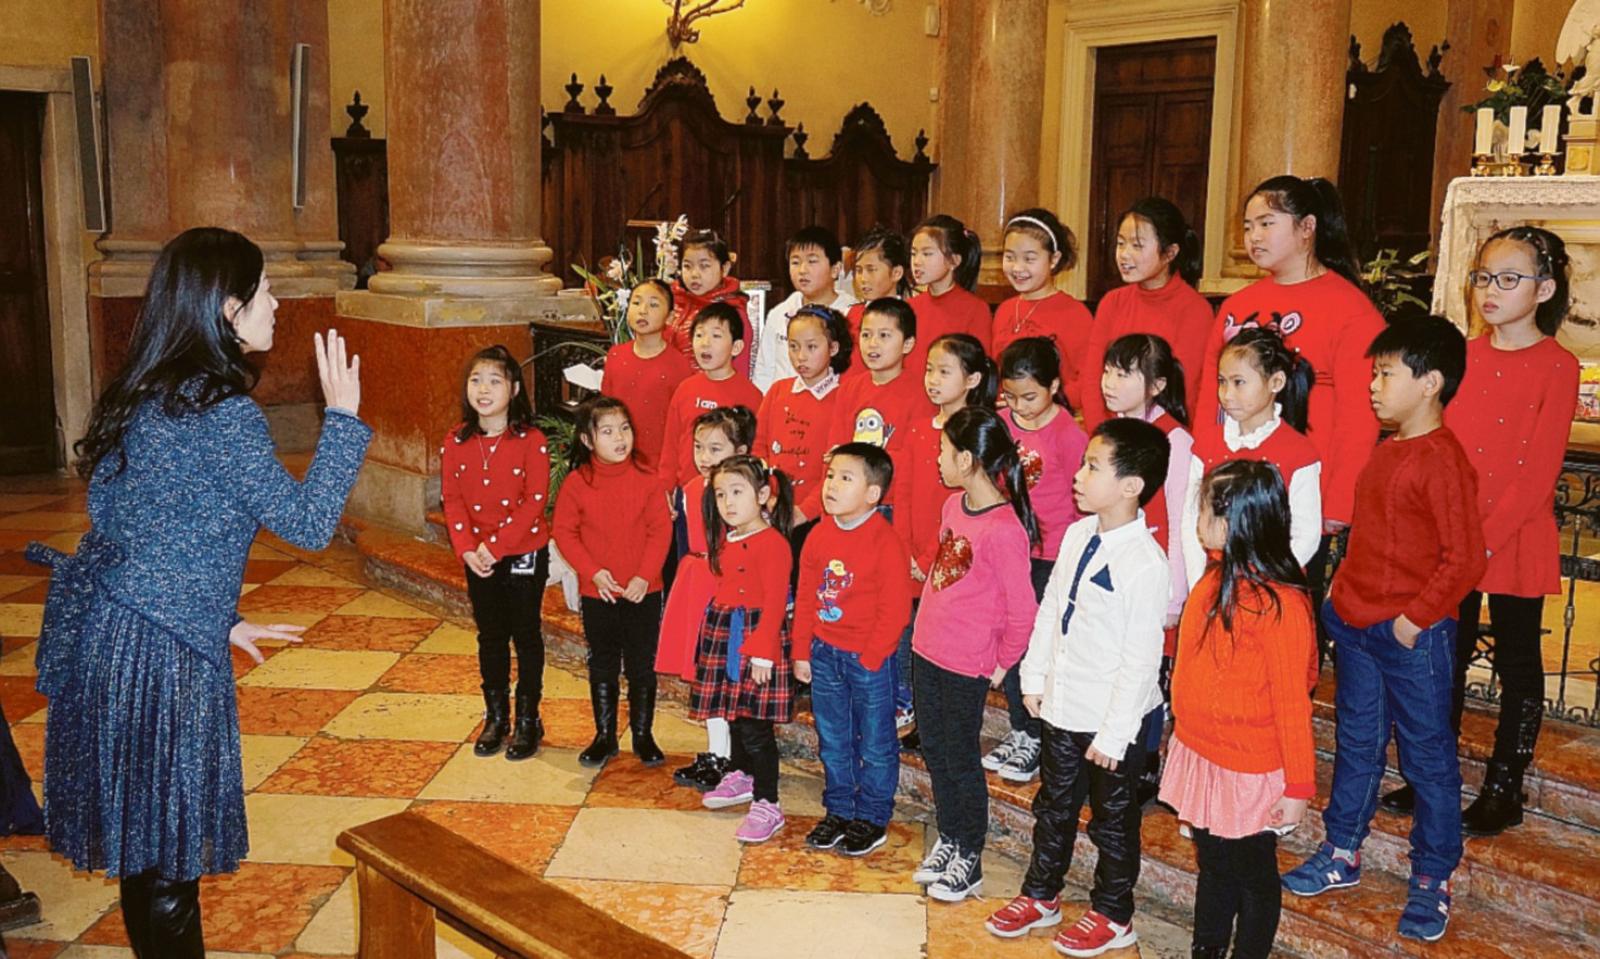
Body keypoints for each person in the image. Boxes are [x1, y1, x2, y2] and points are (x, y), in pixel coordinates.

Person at [28, 227, 368, 957]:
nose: (275, 302)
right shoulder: (224, 414)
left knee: (144, 848)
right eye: (265, 289)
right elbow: (307, 524)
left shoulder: (146, 393)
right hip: (163, 658)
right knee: (172, 858)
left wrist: (220, 616)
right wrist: (341, 419)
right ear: (226, 306)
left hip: (116, 638)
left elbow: (133, 524)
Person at [1282, 316, 1486, 944]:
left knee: (1427, 759)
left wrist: (1412, 620)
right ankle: (1342, 849)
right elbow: (1370, 539)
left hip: (1409, 637)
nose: (1372, 385)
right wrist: (1341, 601)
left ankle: (1432, 876)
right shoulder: (1388, 446)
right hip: (1359, 625)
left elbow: (1465, 558)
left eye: (1385, 374)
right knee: (1359, 746)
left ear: (1430, 383)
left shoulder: (1443, 460)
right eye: (1372, 372)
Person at [1382, 229, 1581, 837]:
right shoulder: (1462, 356)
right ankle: (1429, 772)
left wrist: (1479, 544)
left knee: (1517, 663)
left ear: (1544, 289)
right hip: (1451, 538)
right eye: (1483, 276)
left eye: (1508, 279)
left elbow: (1538, 472)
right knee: (1445, 655)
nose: (1490, 291)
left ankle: (1505, 784)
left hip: (1511, 536)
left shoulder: (1559, 366)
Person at [985, 418, 1169, 956]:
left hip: (1115, 719)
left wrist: (1114, 736)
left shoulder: (1145, 564)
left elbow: (1140, 664)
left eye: (1094, 466)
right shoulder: (1075, 534)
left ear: (1132, 485)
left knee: (1112, 822)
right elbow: (1051, 612)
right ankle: (1041, 893)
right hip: (1064, 703)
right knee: (1054, 806)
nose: (1080, 476)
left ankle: (1114, 913)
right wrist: (1035, 678)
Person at [1194, 176, 1384, 622]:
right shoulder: (1236, 307)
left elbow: (1360, 418)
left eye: (1266, 223)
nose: (1253, 236)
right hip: (1229, 488)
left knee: (1284, 616)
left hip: (1298, 491)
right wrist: (1203, 473)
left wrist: (1336, 502)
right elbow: (1211, 399)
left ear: (1307, 227)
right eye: (1247, 226)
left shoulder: (1350, 309)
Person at [1160, 461, 1318, 959]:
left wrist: (1298, 787)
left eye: (1204, 507)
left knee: (1251, 872)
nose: (1196, 517)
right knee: (1214, 863)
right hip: (1202, 752)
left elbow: (1294, 701)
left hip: (1248, 764)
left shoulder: (1281, 605)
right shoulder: (1213, 577)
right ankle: (1206, 949)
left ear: (1234, 521)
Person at [910, 408, 1040, 903]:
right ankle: (949, 836)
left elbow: (1022, 610)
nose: (937, 459)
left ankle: (970, 855)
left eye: (943, 451)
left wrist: (1004, 663)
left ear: (966, 459)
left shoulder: (1005, 529)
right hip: (927, 650)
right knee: (937, 752)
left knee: (962, 758)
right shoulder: (952, 506)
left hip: (967, 665)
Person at [791, 443, 915, 856]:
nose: (832, 485)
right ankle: (840, 809)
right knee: (832, 737)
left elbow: (895, 609)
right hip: (824, 653)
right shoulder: (818, 535)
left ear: (873, 494)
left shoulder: (885, 540)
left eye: (846, 478)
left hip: (867, 660)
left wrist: (872, 657)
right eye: (830, 476)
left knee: (877, 742)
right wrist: (801, 650)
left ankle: (872, 815)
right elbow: (806, 595)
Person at [440, 345, 553, 761]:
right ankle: (496, 716)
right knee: (490, 635)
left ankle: (528, 719)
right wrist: (468, 549)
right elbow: (451, 500)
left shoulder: (531, 440)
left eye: (494, 381)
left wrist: (496, 546)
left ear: (514, 388)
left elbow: (534, 500)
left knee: (525, 634)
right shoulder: (456, 440)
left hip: (524, 552)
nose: (483, 389)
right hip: (477, 559)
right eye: (475, 380)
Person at [985, 337, 1090, 783]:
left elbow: (1082, 503)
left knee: (1033, 644)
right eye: (1011, 396)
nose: (1020, 407)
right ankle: (1019, 730)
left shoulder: (1069, 435)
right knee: (1008, 640)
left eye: (1030, 396)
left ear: (1054, 385)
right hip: (1008, 547)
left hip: (1050, 555)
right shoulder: (1002, 422)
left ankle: (1036, 734)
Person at [1099, 333, 1196, 806]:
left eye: (1124, 374)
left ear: (1156, 384)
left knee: (1148, 674)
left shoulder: (1176, 440)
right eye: (1108, 371)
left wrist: (1175, 597)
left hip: (1153, 579)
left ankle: (1145, 760)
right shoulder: (1109, 430)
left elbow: (1180, 521)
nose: (1109, 382)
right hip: (1112, 574)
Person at [553, 397, 673, 769]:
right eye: (607, 431)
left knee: (641, 664)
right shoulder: (577, 483)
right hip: (598, 591)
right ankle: (604, 736)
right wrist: (592, 571)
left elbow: (659, 531)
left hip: (643, 591)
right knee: (603, 663)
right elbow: (564, 533)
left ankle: (643, 734)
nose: (620, 437)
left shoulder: (648, 480)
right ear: (588, 441)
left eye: (624, 428)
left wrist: (644, 576)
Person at [892, 333, 993, 734]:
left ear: (971, 380)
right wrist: (905, 550)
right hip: (912, 553)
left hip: (951, 558)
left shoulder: (978, 431)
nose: (932, 379)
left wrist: (931, 556)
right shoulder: (918, 428)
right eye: (929, 369)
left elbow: (972, 505)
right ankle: (909, 705)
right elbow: (903, 492)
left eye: (944, 371)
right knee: (907, 629)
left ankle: (939, 719)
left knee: (942, 636)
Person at [693, 456, 797, 844]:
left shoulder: (773, 544)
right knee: (733, 712)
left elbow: (774, 604)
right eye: (721, 494)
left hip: (755, 638)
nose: (728, 503)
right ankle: (741, 775)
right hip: (727, 633)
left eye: (737, 492)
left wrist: (763, 651)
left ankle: (768, 802)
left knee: (755, 725)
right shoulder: (728, 538)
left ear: (764, 495)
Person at [660, 406, 756, 790]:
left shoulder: (742, 496)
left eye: (715, 449)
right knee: (705, 675)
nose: (704, 457)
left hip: (726, 589)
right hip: (695, 582)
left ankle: (736, 757)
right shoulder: (688, 491)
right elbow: (686, 544)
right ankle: (717, 752)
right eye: (699, 447)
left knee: (725, 675)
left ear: (740, 450)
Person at [1181, 327, 1321, 591]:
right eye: (1222, 381)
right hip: (1214, 581)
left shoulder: (1299, 453)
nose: (1227, 394)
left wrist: (1261, 584)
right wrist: (1199, 583)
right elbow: (1190, 520)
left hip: (1273, 587)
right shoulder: (1207, 444)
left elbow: (1306, 534)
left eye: (1238, 382)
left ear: (1276, 383)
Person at [1081, 197, 1211, 431]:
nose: (1124, 255)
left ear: (1170, 253)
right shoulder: (1112, 302)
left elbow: (1183, 390)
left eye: (1137, 245)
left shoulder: (1195, 309)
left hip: (1164, 437)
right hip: (1111, 435)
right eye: (1121, 243)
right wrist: (1101, 434)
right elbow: (1091, 380)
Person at [797, 298, 925, 520]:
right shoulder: (850, 389)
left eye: (884, 336)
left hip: (891, 504)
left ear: (908, 344)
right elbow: (834, 453)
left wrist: (856, 458)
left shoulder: (920, 392)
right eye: (866, 335)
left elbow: (912, 461)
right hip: (848, 501)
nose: (872, 344)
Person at [657, 303, 763, 561]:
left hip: (731, 498)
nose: (705, 343)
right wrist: (665, 487)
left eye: (716, 335)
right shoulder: (685, 389)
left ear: (736, 347)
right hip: (688, 494)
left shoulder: (750, 395)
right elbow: (671, 443)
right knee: (689, 560)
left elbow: (757, 451)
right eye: (699, 334)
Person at [755, 305, 852, 517]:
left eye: (811, 347)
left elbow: (837, 464)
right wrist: (766, 498)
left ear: (833, 348)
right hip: (770, 507)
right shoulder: (778, 391)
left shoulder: (844, 398)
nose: (801, 357)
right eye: (793, 346)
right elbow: (758, 448)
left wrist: (805, 511)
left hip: (817, 513)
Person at [991, 209, 1093, 409]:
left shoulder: (1075, 314)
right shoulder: (1004, 310)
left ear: (1053, 259)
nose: (1018, 268)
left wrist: (1048, 405)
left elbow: (1088, 380)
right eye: (1010, 257)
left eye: (1029, 259)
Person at [599, 278, 693, 472]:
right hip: (617, 459)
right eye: (636, 302)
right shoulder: (616, 355)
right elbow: (605, 411)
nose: (643, 310)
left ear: (670, 316)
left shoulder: (679, 365)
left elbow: (682, 426)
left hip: (659, 465)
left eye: (653, 304)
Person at [752, 226, 856, 392]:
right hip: (783, 407)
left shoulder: (852, 313)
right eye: (795, 262)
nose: (802, 270)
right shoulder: (779, 313)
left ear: (835, 269)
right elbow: (764, 372)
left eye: (812, 261)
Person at [908, 214, 991, 376]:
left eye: (927, 254)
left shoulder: (975, 309)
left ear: (954, 261)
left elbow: (979, 367)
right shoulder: (911, 306)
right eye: (913, 253)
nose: (917, 261)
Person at [665, 229, 754, 379]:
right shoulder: (671, 302)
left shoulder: (732, 313)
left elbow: (739, 372)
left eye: (704, 266)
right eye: (687, 266)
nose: (694, 274)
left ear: (724, 268)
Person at [847, 225, 912, 340]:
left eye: (871, 269)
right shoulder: (852, 315)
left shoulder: (911, 317)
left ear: (896, 273)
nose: (863, 278)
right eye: (859, 270)